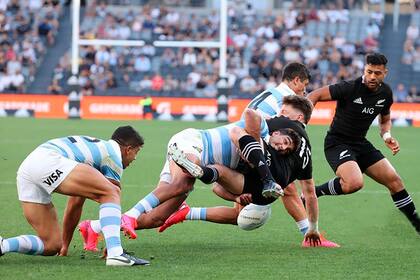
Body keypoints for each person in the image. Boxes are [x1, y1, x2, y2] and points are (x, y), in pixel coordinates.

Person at [78, 112, 300, 250]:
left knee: (156, 217)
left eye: (286, 149)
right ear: (277, 134)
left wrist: (236, 196)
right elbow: (251, 114)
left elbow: (217, 188)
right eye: (284, 142)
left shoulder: (258, 169)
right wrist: (261, 129)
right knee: (184, 183)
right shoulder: (261, 136)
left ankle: (95, 227)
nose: (282, 147)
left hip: (195, 160)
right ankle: (129, 216)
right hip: (194, 142)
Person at [158, 96, 338, 247]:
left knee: (232, 192)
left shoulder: (284, 123)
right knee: (235, 197)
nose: (280, 113)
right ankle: (188, 208)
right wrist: (313, 228)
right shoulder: (303, 147)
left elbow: (253, 116)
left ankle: (191, 200)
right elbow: (309, 193)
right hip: (259, 183)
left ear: (298, 117)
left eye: (284, 111)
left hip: (259, 169)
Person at [0, 126, 149, 266]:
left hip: (28, 168)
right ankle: (116, 254)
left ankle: (3, 245)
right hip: (49, 160)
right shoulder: (113, 155)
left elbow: (75, 204)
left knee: (52, 245)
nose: (135, 158)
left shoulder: (94, 155)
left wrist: (64, 245)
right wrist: (112, 244)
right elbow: (112, 194)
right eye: (137, 152)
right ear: (128, 149)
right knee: (112, 192)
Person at [306, 52, 420, 234]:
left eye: (377, 73)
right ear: (364, 70)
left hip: (360, 144)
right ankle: (315, 192)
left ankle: (417, 224)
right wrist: (301, 121)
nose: (372, 76)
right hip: (337, 143)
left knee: (395, 182)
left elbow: (384, 120)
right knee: (354, 183)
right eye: (369, 72)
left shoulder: (386, 93)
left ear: (385, 73)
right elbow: (315, 95)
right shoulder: (349, 88)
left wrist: (387, 136)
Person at [246, 62, 318, 240]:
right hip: (251, 146)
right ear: (296, 80)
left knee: (239, 213)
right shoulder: (288, 100)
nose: (305, 90)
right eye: (304, 85)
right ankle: (308, 233)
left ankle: (188, 212)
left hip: (245, 142)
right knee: (287, 185)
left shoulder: (271, 92)